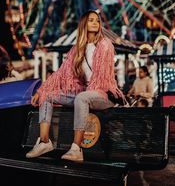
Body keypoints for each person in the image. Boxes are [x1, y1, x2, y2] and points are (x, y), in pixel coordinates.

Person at [26, 10, 125, 161]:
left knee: (81, 98)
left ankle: (76, 149)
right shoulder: (76, 49)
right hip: (85, 94)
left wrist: (86, 92)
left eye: (97, 21)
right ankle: (44, 142)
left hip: (104, 94)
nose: (95, 23)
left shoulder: (105, 45)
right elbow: (60, 73)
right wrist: (41, 91)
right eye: (91, 20)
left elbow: (102, 77)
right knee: (48, 96)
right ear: (84, 23)